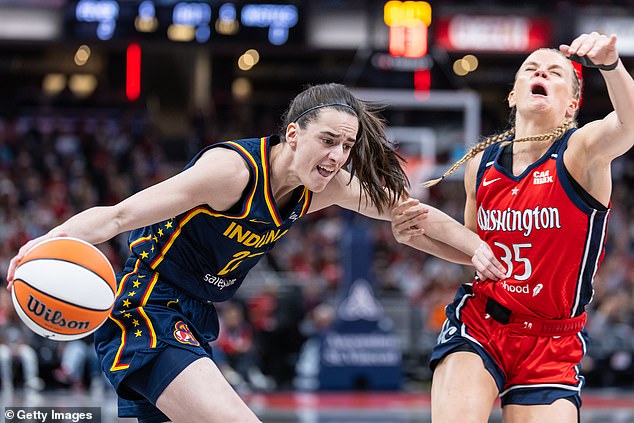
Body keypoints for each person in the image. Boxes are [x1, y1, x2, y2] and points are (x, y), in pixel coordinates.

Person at [6, 83, 502, 422]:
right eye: (327, 140)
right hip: (147, 309)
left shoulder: (325, 186)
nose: (337, 156)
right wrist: (43, 245)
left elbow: (411, 215)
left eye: (346, 146)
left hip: (197, 317)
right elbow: (116, 216)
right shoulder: (231, 172)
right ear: (292, 134)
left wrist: (477, 251)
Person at [391, 32, 634, 422]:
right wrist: (417, 238)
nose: (542, 72)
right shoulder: (481, 165)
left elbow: (629, 124)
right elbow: (474, 252)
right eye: (531, 68)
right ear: (513, 95)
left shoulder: (581, 152)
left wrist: (611, 65)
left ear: (572, 104)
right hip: (482, 324)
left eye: (556, 72)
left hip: (552, 341)